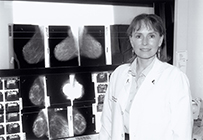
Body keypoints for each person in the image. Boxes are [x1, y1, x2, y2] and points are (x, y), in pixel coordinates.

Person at [98, 13, 193, 140]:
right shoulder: (119, 74)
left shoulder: (175, 78)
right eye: (138, 36)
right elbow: (107, 123)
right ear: (131, 41)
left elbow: (182, 132)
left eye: (151, 36)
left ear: (160, 40)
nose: (145, 42)